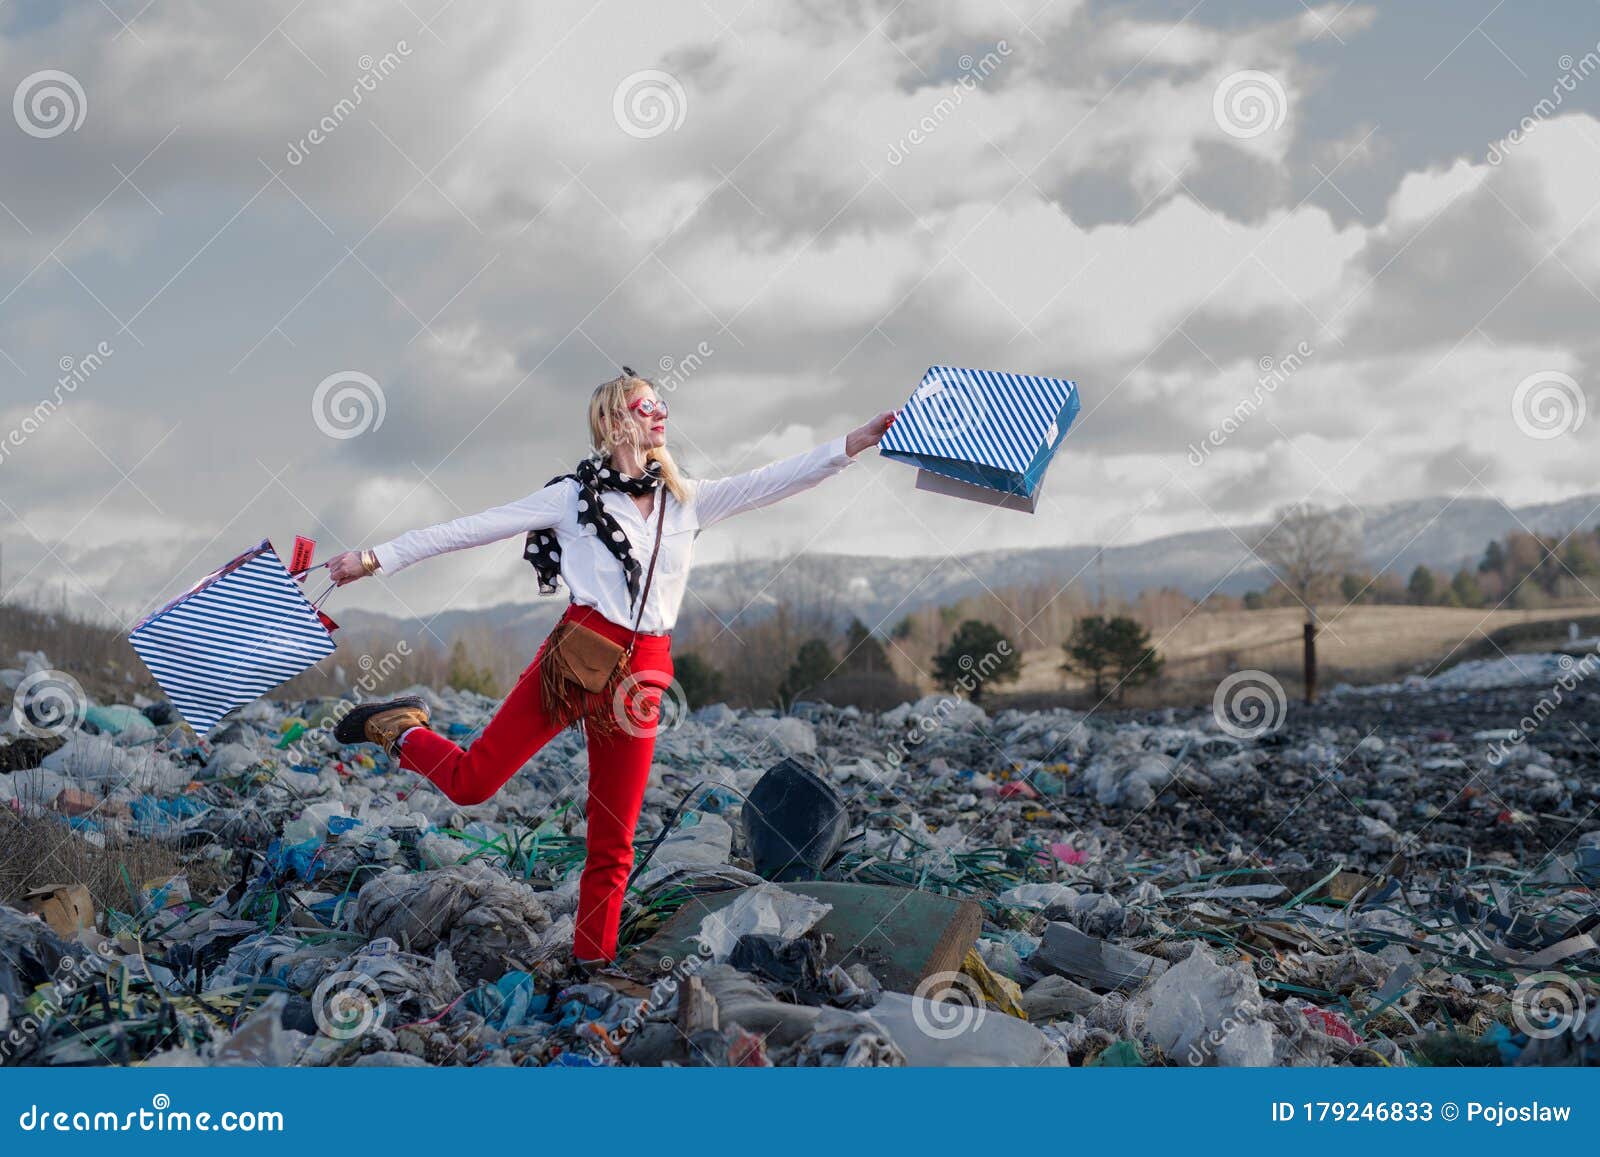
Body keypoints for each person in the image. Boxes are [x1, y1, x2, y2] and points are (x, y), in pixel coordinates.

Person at [326, 367, 896, 965]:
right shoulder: (571, 498)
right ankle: (400, 728)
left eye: (663, 404)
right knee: (473, 784)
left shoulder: (686, 500)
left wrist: (852, 443)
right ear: (613, 419)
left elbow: (773, 480)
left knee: (613, 840)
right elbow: (467, 530)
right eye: (648, 405)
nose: (661, 414)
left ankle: (591, 964)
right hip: (577, 656)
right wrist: (372, 558)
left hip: (645, 674)